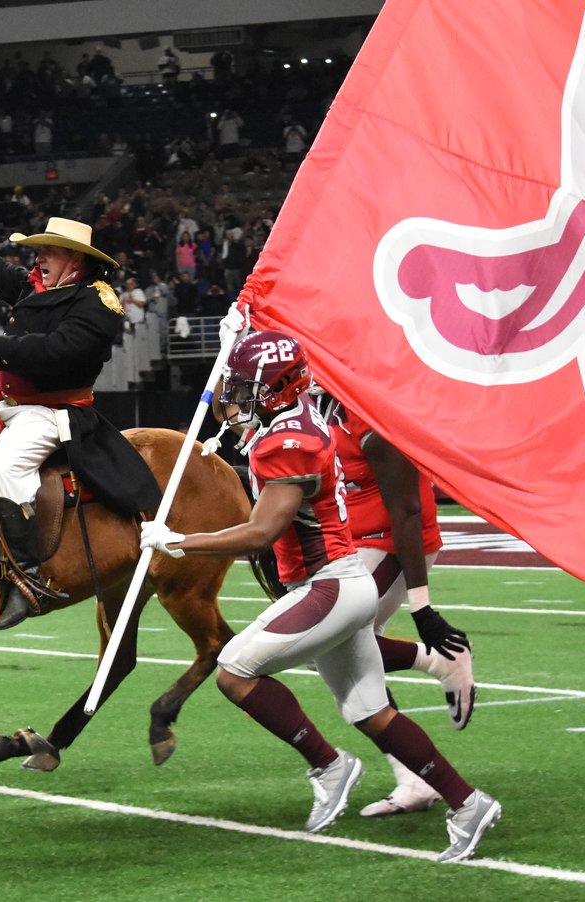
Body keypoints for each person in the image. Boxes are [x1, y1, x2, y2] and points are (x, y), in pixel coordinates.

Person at [140, 329, 501, 864]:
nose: (237, 398)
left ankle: (329, 765)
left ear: (278, 387)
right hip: (334, 582)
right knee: (371, 712)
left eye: (248, 387)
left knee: (235, 670)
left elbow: (261, 532)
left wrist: (179, 541)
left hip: (329, 585)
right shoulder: (295, 424)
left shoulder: (292, 441)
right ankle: (468, 805)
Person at [0, 210, 162, 630]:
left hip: (53, 411)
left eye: (47, 251)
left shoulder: (97, 302)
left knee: (3, 467)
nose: (38, 258)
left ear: (74, 260)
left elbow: (57, 351)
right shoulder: (40, 285)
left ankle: (26, 579)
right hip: (12, 400)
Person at [322, 396, 476, 817]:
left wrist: (421, 608)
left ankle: (442, 659)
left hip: (394, 542)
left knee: (330, 641)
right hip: (354, 543)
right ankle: (413, 779)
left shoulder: (372, 415)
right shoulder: (322, 402)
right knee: (341, 664)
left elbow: (407, 510)